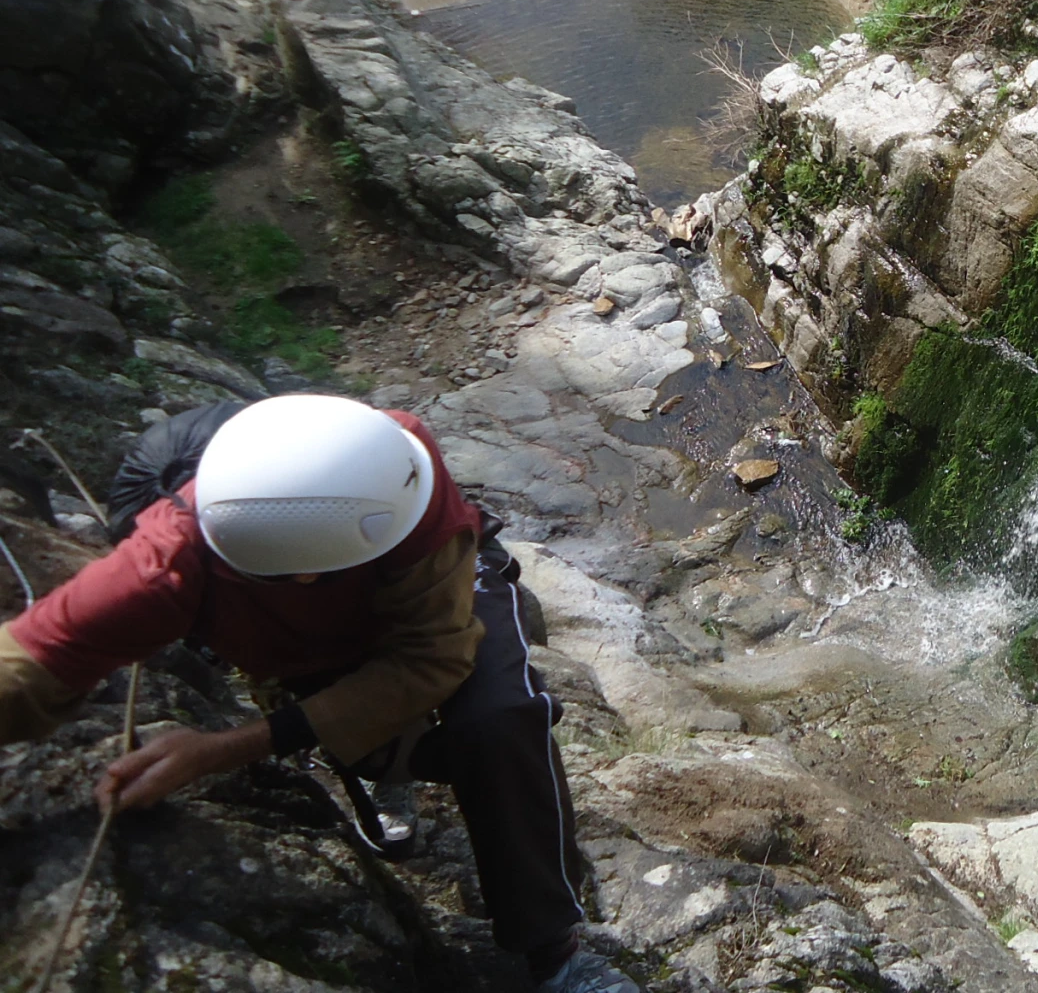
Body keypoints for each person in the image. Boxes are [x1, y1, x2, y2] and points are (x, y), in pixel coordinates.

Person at [0, 394, 638, 993]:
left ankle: (554, 948)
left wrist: (225, 748)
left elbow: (432, 653)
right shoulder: (162, 571)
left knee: (500, 720)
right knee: (367, 745)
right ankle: (393, 770)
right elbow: (28, 661)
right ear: (303, 572)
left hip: (447, 592)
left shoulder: (388, 460)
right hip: (310, 650)